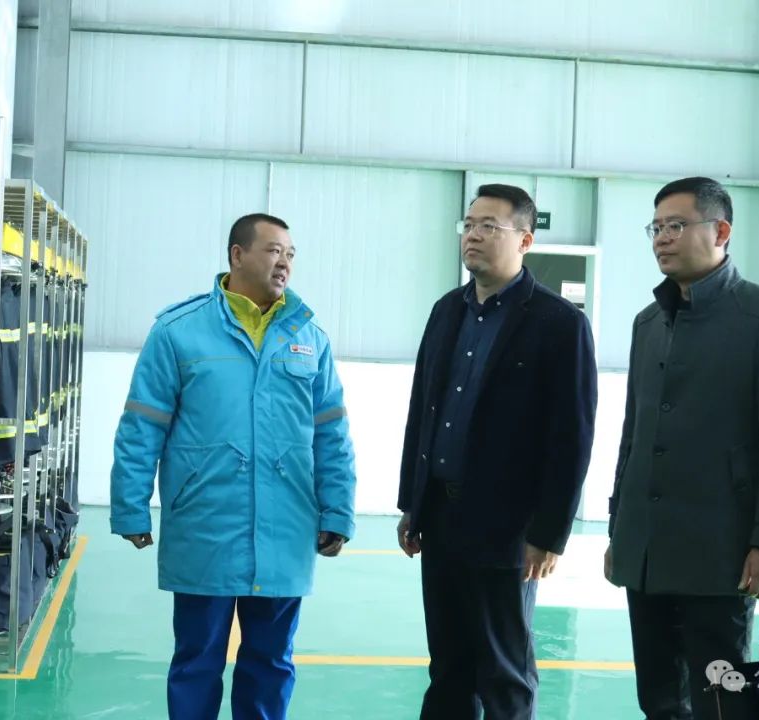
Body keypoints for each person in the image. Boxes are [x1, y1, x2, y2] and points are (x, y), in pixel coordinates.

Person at [110, 213, 356, 720]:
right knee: (197, 659)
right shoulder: (178, 332)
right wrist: (130, 507)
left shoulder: (310, 338)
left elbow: (332, 434)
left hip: (286, 525)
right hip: (206, 523)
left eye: (290, 254)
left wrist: (338, 510)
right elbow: (142, 425)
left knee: (271, 662)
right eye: (273, 250)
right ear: (237, 255)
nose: (284, 262)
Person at [605, 176, 759, 720]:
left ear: (721, 231)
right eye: (655, 228)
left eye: (676, 225)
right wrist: (618, 528)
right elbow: (633, 433)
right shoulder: (648, 322)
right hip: (645, 548)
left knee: (721, 697)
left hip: (722, 552)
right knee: (658, 697)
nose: (662, 238)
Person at [396, 183, 597, 720]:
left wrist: (549, 533)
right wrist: (412, 503)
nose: (474, 235)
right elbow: (422, 410)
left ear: (525, 240)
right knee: (448, 669)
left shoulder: (559, 323)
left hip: (508, 528)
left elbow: (571, 437)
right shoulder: (446, 311)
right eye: (469, 224)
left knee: (504, 672)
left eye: (489, 226)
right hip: (441, 517)